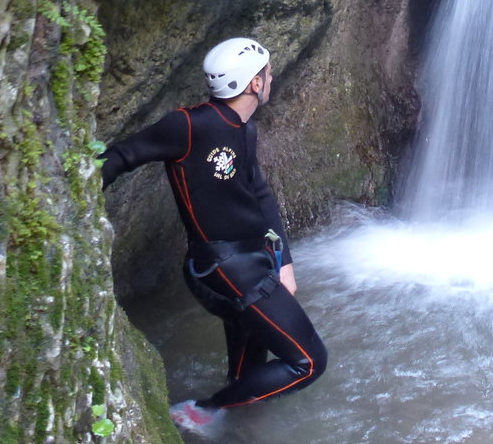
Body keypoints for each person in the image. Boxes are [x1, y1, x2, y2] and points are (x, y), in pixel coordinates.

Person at [100, 38, 327, 434]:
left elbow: (259, 193)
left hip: (251, 261)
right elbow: (120, 157)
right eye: (268, 73)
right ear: (255, 84)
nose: (271, 77)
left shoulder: (245, 130)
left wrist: (285, 262)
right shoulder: (189, 125)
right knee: (308, 362)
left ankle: (234, 425)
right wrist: (69, 196)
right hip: (223, 266)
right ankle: (202, 411)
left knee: (249, 363)